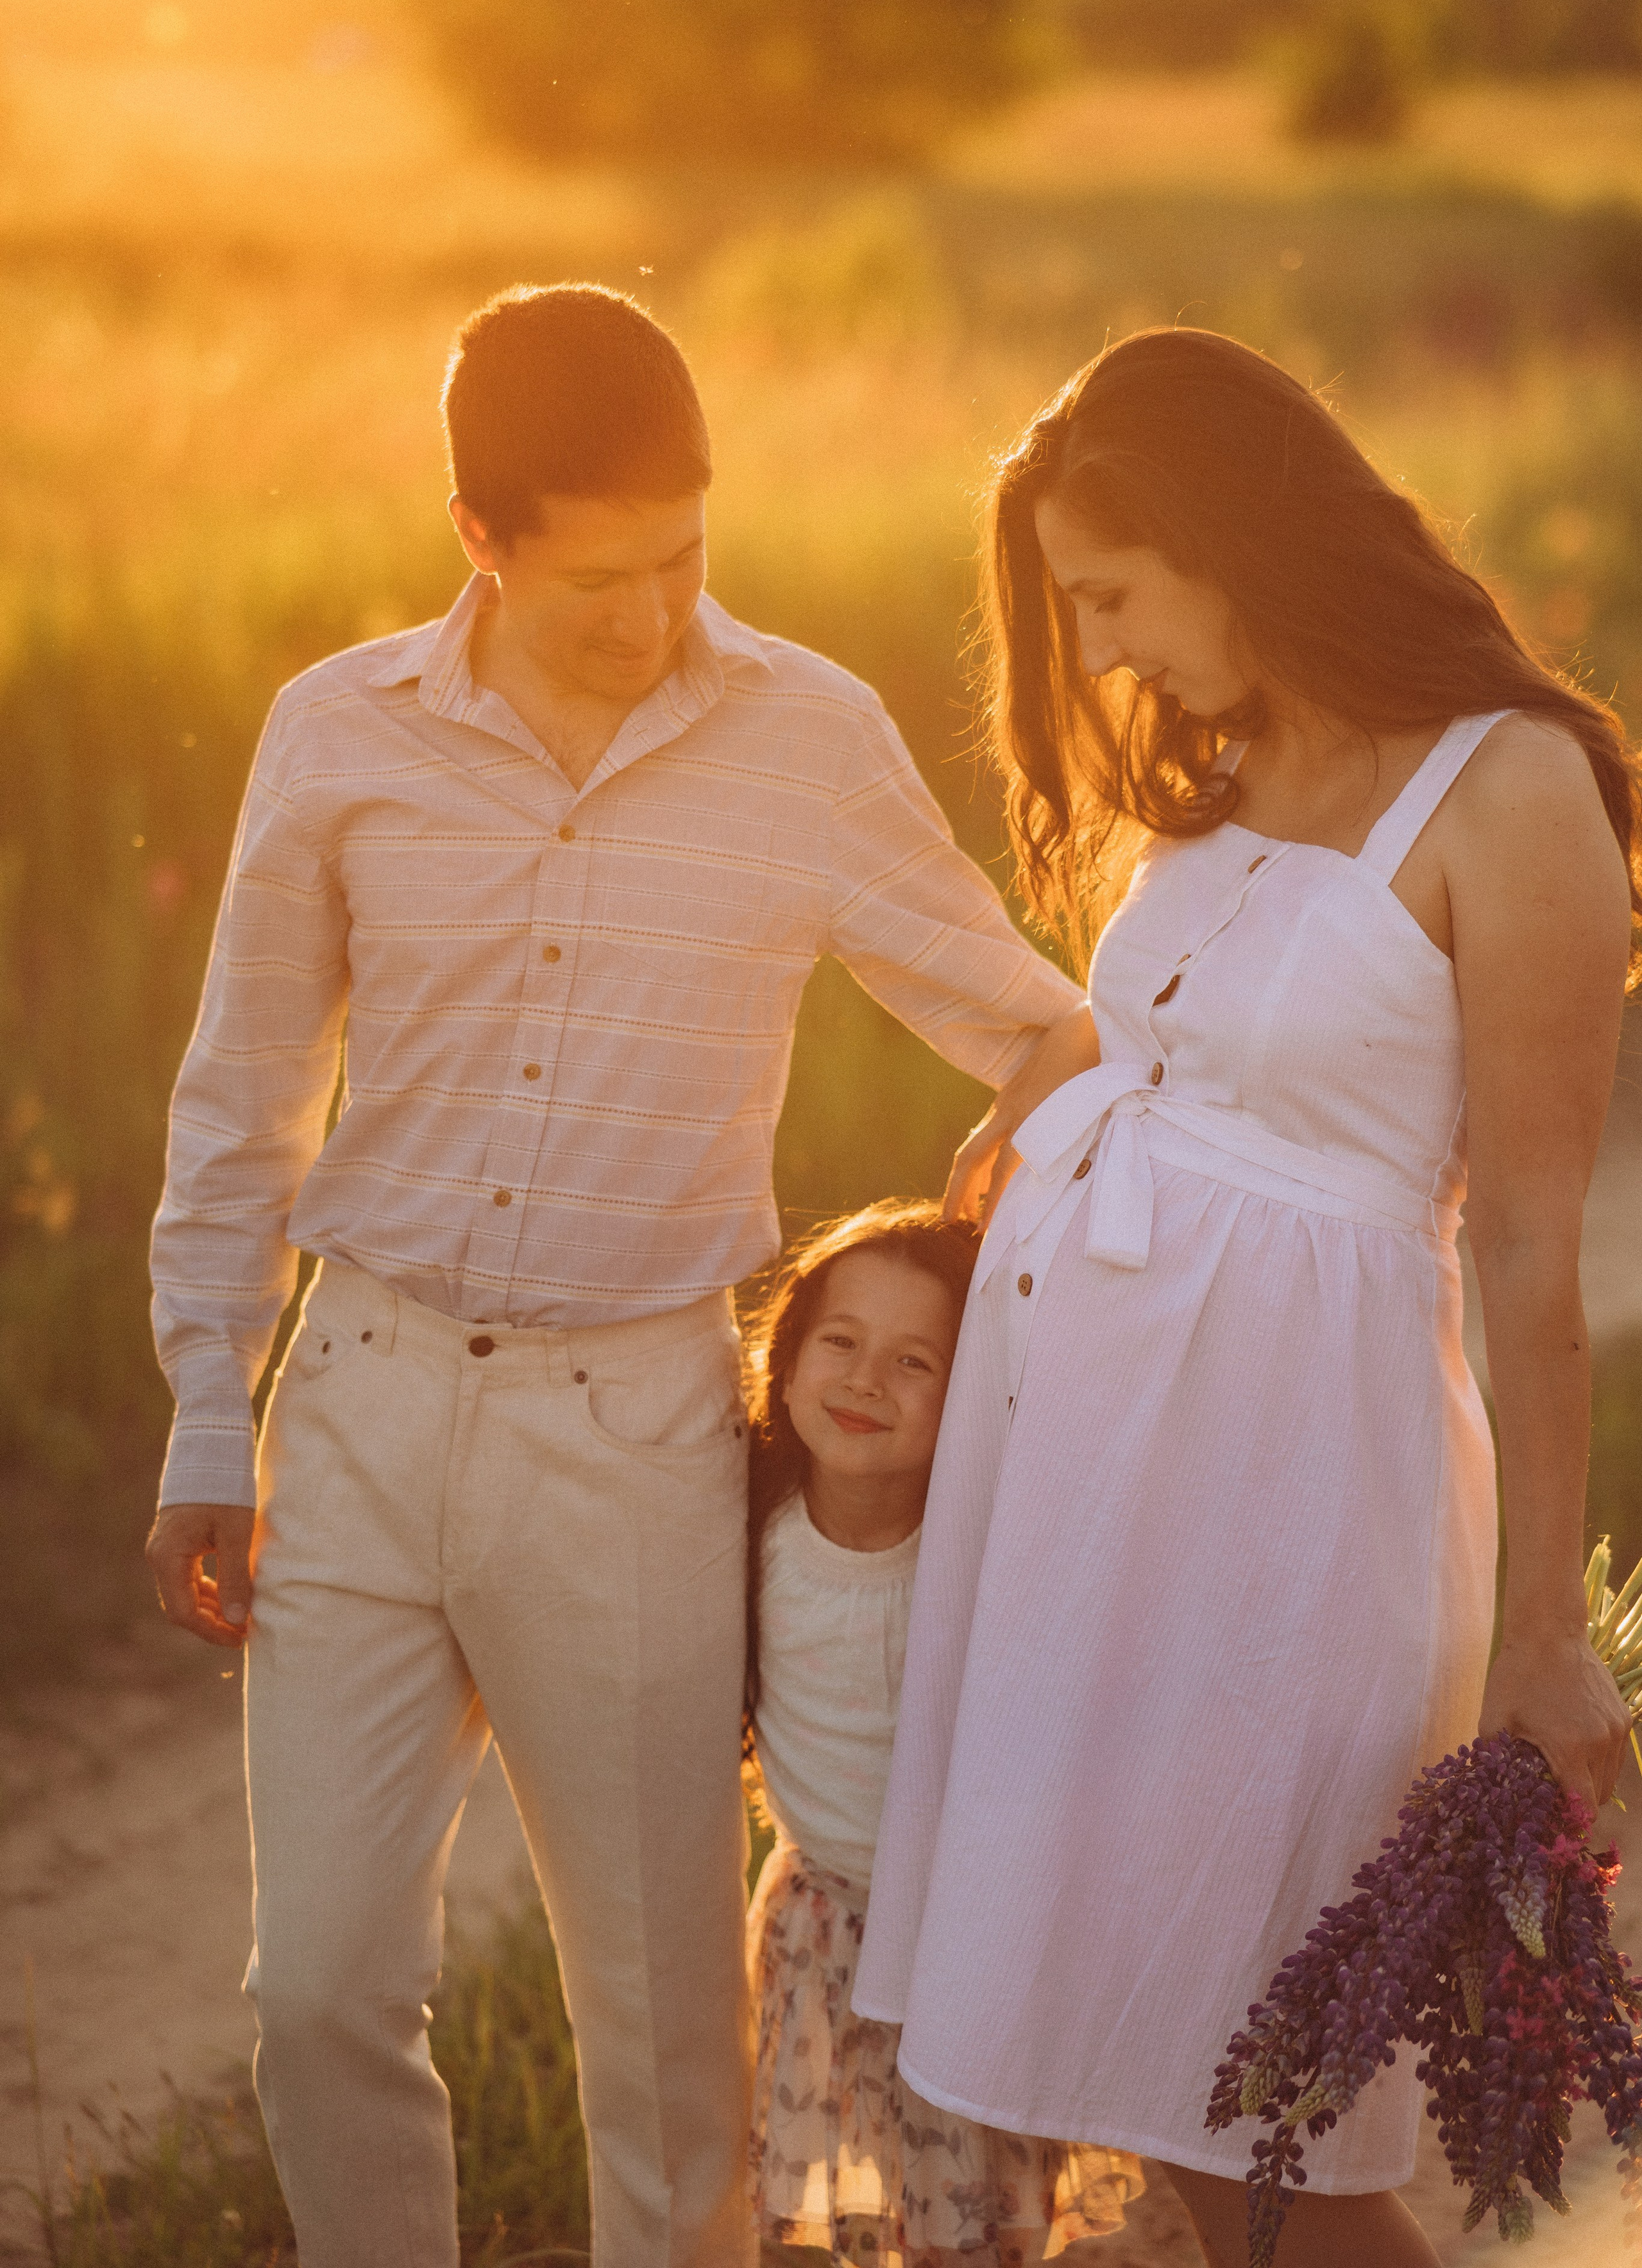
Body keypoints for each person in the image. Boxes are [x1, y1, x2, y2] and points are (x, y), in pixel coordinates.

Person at [142, 284, 1092, 2268]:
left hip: (638, 1433)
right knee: (315, 1991)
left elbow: (1039, 1021)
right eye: (598, 582)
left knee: (669, 2056)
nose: (655, 619)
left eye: (687, 560)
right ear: (477, 539)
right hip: (366, 1406)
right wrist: (204, 1417)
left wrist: (1014, 1153)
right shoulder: (340, 732)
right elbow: (244, 1097)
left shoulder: (808, 739)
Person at [853, 327, 1641, 2268]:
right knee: (1146, 2081)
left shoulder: (1509, 789)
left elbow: (1533, 1242)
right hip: (1081, 1503)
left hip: (1294, 1503)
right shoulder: (1226, 762)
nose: (1103, 652)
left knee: (1258, 2104)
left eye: (1113, 595)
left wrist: (1547, 1626)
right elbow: (1175, 1042)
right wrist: (1039, 1113)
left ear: (1236, 542)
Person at [741, 1199, 1144, 2267]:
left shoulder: (986, 1558)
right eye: (840, 1342)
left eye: (915, 1362)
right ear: (784, 1364)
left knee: (969, 2234)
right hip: (823, 1937)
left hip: (967, 1950)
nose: (867, 1381)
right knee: (819, 2216)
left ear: (973, 1396)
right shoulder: (745, 1531)